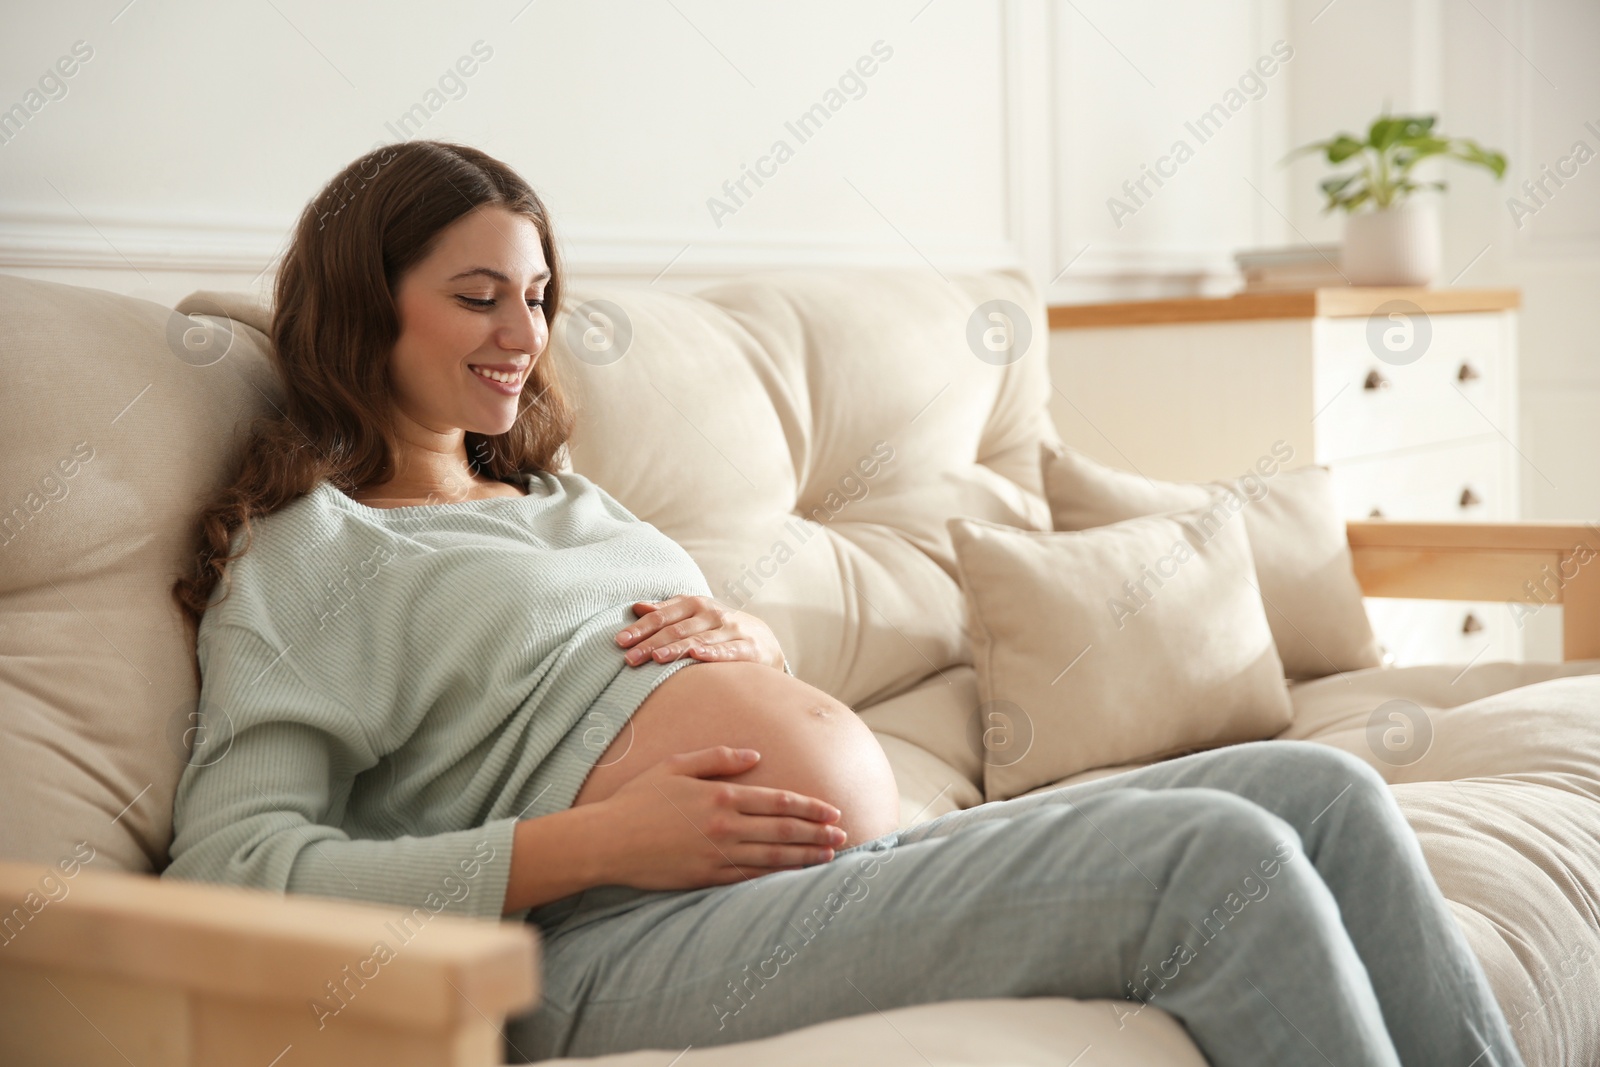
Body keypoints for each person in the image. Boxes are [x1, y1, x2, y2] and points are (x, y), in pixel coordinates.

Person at [163, 140, 1525, 1067]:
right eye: (478, 298)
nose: (524, 335)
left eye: (537, 296)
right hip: (596, 941)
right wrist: (587, 840)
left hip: (830, 871)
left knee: (1324, 798)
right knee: (1213, 867)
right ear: (363, 308)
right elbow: (232, 873)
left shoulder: (561, 499)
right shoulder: (318, 557)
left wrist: (748, 644)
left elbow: (653, 675)